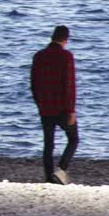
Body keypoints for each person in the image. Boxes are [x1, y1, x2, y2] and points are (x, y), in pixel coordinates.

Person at [30, 25, 78, 184]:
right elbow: (69, 85)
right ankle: (61, 169)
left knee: (48, 143)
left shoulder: (39, 56)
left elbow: (34, 84)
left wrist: (39, 103)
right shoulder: (66, 56)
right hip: (63, 108)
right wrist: (71, 110)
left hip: (45, 107)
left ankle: (49, 176)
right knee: (73, 139)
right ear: (66, 39)